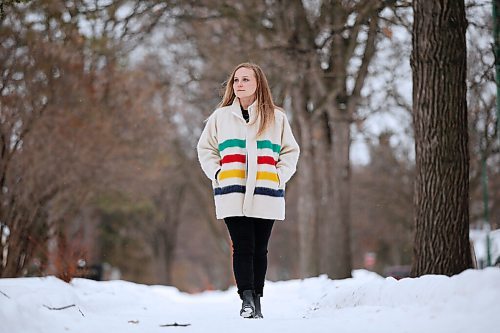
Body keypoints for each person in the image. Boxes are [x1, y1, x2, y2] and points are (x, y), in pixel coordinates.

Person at [196, 62, 300, 319]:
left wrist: (279, 176)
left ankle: (257, 299)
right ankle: (246, 298)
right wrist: (218, 173)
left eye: (245, 80)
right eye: (236, 80)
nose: (239, 84)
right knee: (242, 245)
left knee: (260, 248)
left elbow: (290, 151)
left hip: (266, 189)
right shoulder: (220, 117)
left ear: (258, 84)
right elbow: (205, 149)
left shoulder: (277, 117)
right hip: (232, 190)